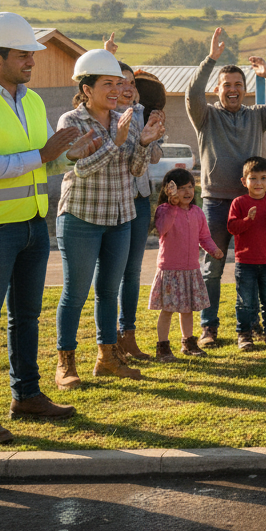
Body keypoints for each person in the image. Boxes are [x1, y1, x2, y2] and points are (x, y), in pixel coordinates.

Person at [0, 12, 97, 444]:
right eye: (23, 54)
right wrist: (45, 155)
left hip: (31, 224)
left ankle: (26, 396)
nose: (31, 60)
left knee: (25, 317)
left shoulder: (31, 100)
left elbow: (48, 158)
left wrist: (74, 154)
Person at [55, 48, 165, 387]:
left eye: (119, 84)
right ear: (87, 90)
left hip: (120, 217)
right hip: (81, 218)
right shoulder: (71, 122)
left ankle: (107, 358)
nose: (117, 91)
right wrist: (116, 142)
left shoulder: (127, 117)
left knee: (108, 290)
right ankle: (66, 364)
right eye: (108, 84)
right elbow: (82, 170)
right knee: (75, 292)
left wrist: (143, 143)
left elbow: (134, 170)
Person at [188, 27, 266, 348]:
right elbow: (192, 93)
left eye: (238, 85)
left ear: (246, 90)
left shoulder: (258, 116)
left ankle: (257, 328)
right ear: (218, 90)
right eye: (226, 86)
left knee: (258, 270)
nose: (232, 90)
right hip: (219, 205)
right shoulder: (205, 116)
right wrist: (211, 60)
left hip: (257, 204)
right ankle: (209, 328)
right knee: (213, 268)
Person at [103, 35, 165, 361]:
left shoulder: (142, 113)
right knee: (113, 271)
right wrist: (105, 54)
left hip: (141, 199)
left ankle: (128, 335)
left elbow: (153, 158)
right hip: (115, 200)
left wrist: (153, 133)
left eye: (132, 83)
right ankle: (109, 339)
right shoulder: (107, 115)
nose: (127, 87)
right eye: (120, 82)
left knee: (133, 270)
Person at [149, 168, 223, 361]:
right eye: (181, 188)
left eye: (190, 186)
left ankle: (188, 342)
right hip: (170, 270)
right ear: (169, 190)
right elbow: (162, 229)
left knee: (187, 309)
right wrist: (173, 206)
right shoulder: (164, 210)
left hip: (191, 270)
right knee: (168, 310)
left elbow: (204, 236)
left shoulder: (197, 212)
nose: (187, 192)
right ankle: (163, 347)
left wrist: (213, 249)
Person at [227, 156, 266, 351]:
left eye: (263, 178)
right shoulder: (239, 203)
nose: (258, 183)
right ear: (244, 181)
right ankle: (244, 335)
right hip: (245, 262)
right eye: (253, 178)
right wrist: (247, 220)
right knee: (245, 302)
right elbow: (232, 227)